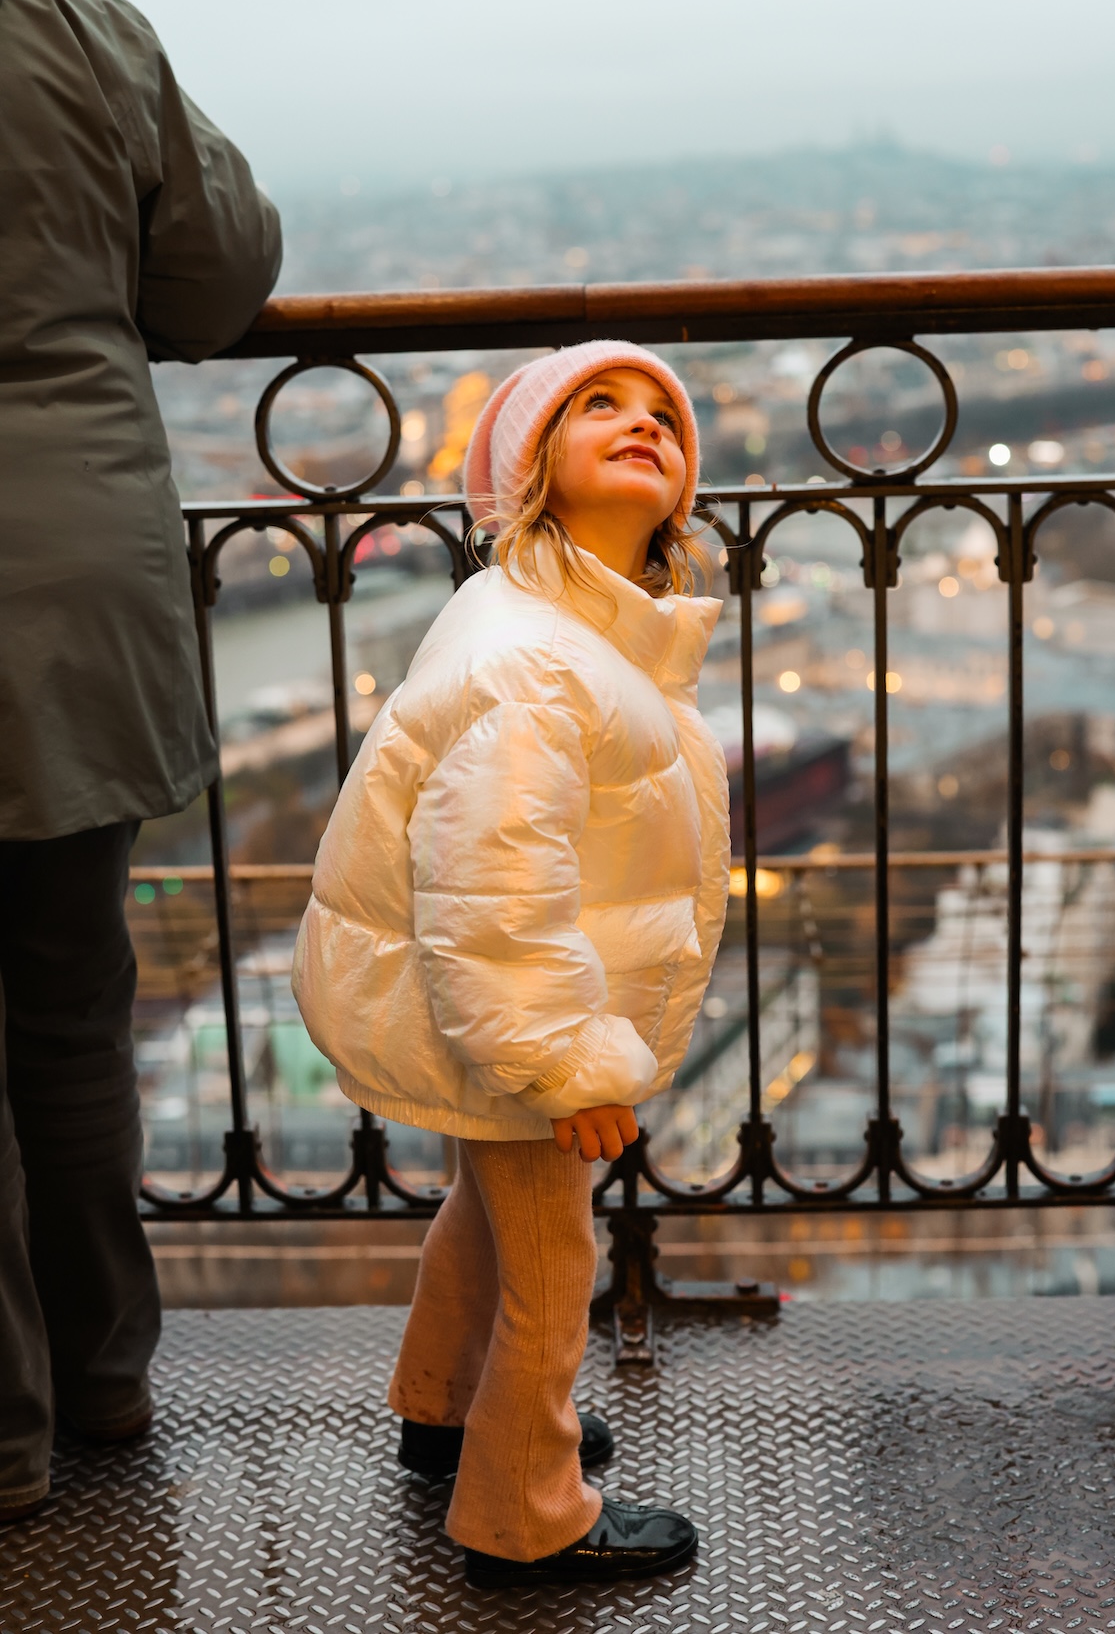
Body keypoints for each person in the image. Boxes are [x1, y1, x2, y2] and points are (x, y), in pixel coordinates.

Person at [293, 339, 730, 1587]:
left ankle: (443, 1408)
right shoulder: (541, 662)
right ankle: (523, 1510)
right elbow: (496, 896)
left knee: (484, 1220)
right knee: (552, 1261)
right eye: (599, 405)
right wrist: (570, 1064)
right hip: (508, 1011)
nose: (644, 421)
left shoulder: (542, 620)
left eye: (664, 414)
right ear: (530, 468)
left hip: (459, 999)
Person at [0, 0, 281, 1523]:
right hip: (71, 575)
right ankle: (106, 1371)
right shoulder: (79, 21)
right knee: (68, 1001)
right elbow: (218, 273)